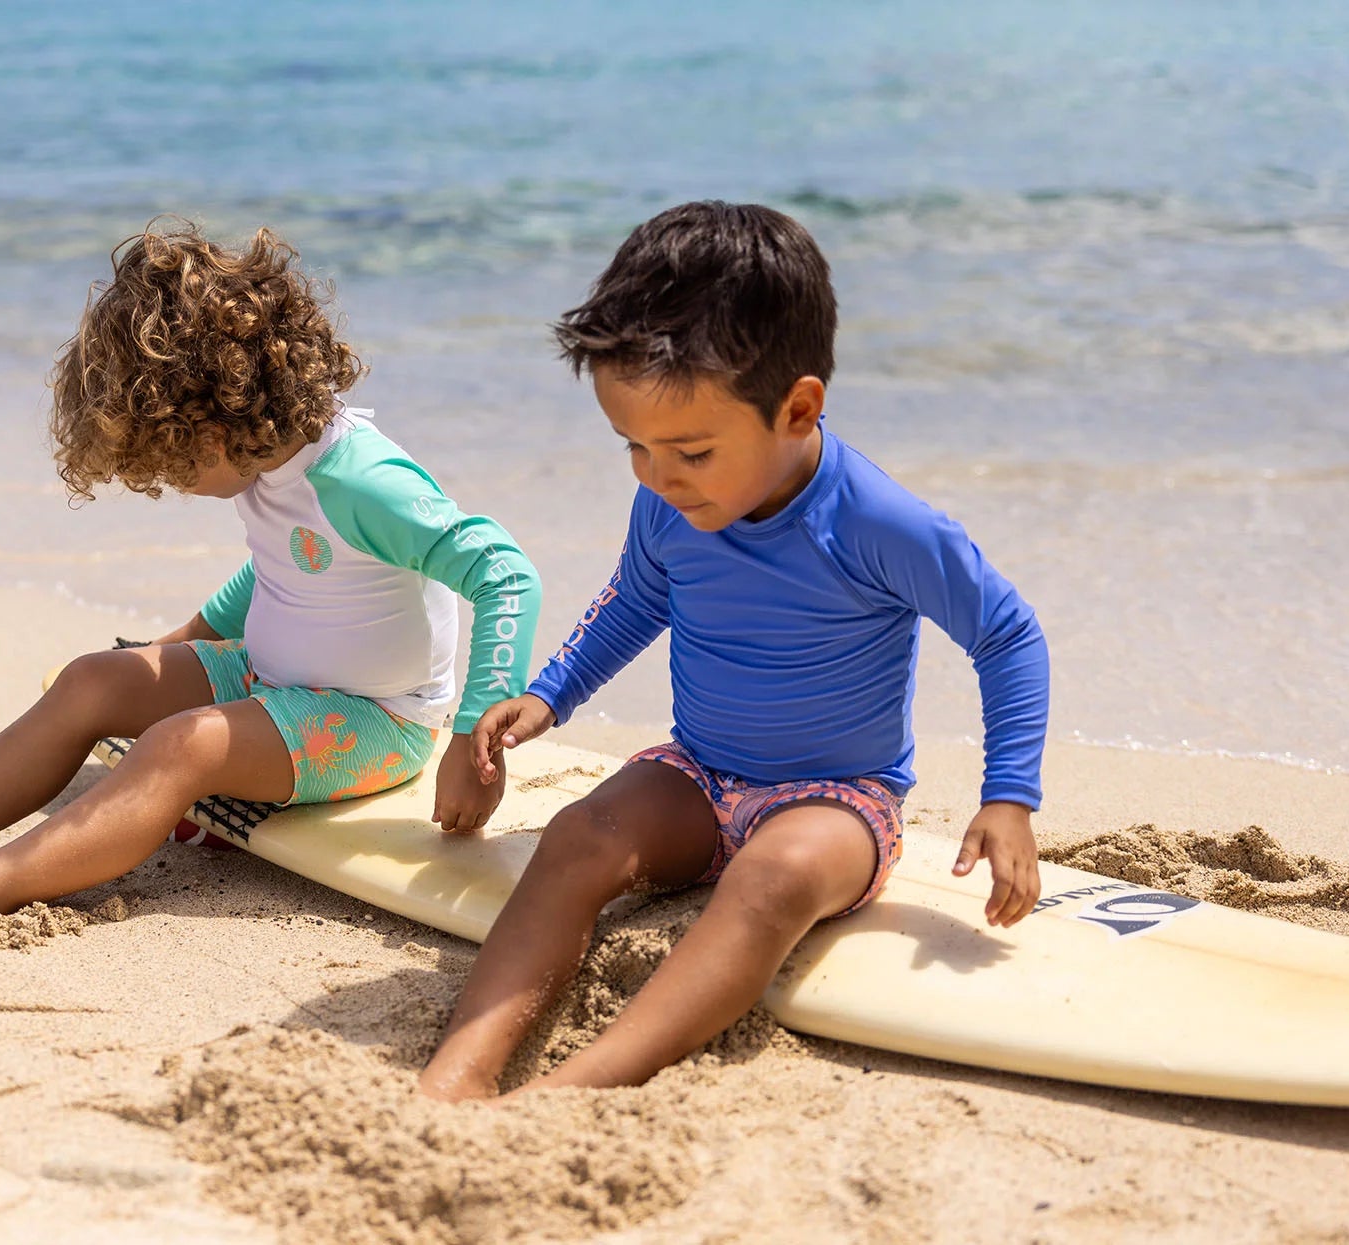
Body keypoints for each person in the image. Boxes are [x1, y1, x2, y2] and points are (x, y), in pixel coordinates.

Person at [417, 201, 1048, 1101]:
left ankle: (579, 1088)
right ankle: (456, 1075)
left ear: (796, 408)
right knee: (575, 839)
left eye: (691, 451)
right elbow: (639, 599)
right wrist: (550, 694)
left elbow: (1007, 633)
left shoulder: (877, 522)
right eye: (633, 446)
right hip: (699, 772)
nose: (658, 476)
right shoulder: (670, 502)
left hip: (837, 802)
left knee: (773, 876)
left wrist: (1009, 796)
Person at [0, 220, 541, 943]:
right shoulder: (271, 461)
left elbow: (502, 571)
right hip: (272, 678)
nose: (167, 483)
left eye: (170, 466)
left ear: (214, 426)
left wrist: (477, 740)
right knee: (92, 681)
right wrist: (181, 646)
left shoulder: (364, 482)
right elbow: (289, 564)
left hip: (375, 721)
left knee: (182, 746)